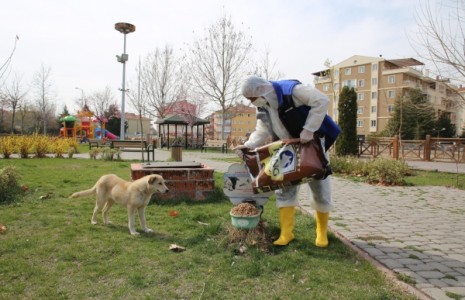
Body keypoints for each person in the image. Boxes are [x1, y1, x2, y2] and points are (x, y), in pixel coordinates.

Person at [237, 75, 336, 247]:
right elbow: (261, 131)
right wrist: (248, 145)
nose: (252, 103)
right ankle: (286, 233)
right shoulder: (263, 107)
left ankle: (321, 233)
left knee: (320, 187)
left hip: (311, 145)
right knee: (284, 189)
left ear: (261, 89)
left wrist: (309, 129)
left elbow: (322, 100)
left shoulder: (292, 91)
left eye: (252, 99)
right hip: (287, 149)